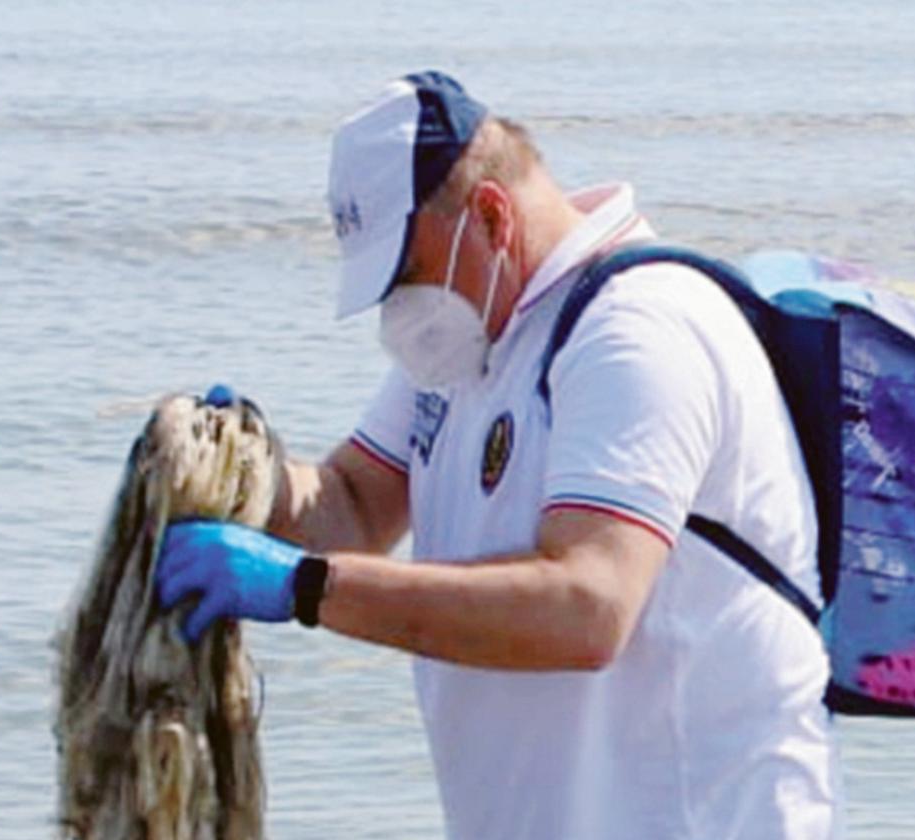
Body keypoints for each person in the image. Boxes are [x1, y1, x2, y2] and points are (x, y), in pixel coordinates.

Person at [155, 71, 834, 839]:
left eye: (404, 277)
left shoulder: (634, 332)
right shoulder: (468, 343)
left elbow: (587, 608)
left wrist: (305, 587)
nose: (398, 312)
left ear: (489, 214)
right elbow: (352, 504)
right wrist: (241, 475)